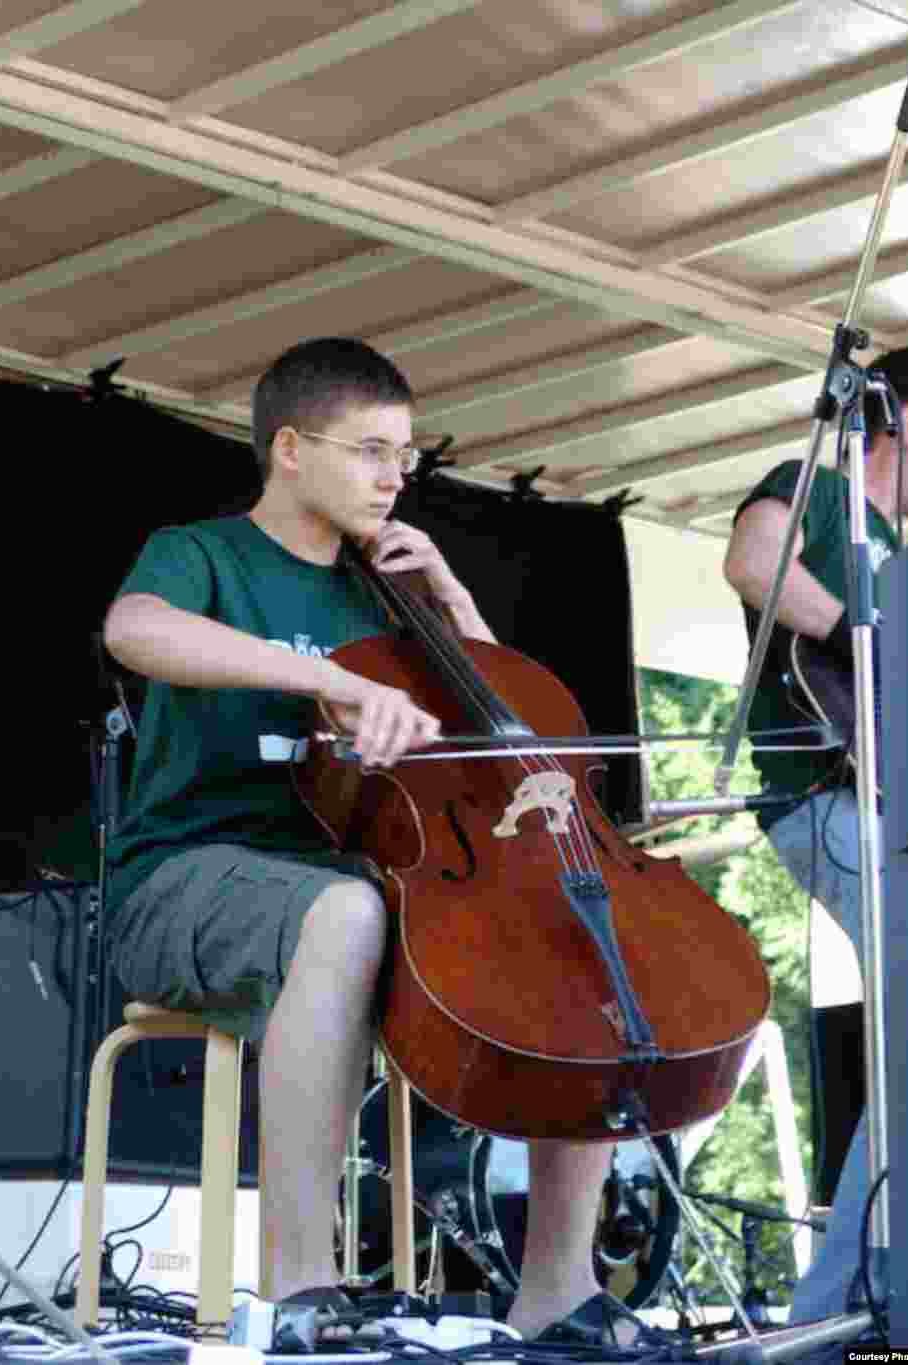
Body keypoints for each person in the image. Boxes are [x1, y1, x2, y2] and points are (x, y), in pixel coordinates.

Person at [102, 336, 648, 1348]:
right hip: (185, 884)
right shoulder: (205, 553)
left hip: (351, 888)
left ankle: (558, 1295)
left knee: (574, 936)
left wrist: (447, 598)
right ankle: (300, 1288)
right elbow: (135, 631)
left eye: (406, 455)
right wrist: (330, 680)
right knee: (345, 909)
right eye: (372, 450)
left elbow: (500, 716)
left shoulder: (388, 594)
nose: (396, 476)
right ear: (293, 449)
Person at [723, 346, 908, 1331]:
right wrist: (875, 648)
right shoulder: (818, 487)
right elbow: (754, 563)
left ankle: (846, 1301)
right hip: (829, 799)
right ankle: (837, 1305)